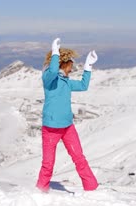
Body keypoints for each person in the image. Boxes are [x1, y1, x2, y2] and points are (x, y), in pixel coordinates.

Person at [36, 38, 99, 192]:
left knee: (79, 158)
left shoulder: (66, 82)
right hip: (51, 128)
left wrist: (88, 66)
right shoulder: (49, 80)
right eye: (70, 66)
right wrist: (56, 53)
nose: (71, 69)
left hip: (67, 127)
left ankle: (92, 188)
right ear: (62, 64)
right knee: (48, 164)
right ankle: (40, 191)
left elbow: (84, 86)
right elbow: (51, 71)